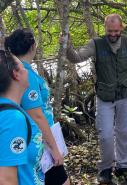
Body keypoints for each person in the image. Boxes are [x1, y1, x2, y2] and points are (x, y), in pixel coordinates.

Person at [64, 13, 127, 184]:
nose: (113, 34)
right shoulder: (96, 44)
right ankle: (105, 168)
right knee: (105, 134)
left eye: (116, 31)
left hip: (124, 96)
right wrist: (68, 47)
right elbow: (76, 57)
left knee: (124, 132)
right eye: (109, 31)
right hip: (104, 97)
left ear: (121, 28)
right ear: (105, 28)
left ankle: (123, 166)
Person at [5, 29, 70, 185]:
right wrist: (54, 148)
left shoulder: (20, 72)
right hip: (39, 140)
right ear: (33, 46)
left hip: (41, 138)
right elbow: (36, 115)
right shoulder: (24, 74)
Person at [0, 50, 44, 184]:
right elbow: (6, 179)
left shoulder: (11, 111)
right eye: (23, 66)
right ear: (16, 74)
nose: (27, 70)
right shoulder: (12, 118)